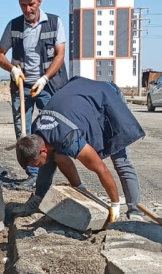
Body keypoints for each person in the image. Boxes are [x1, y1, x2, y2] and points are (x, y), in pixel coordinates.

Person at [15, 76, 144, 222]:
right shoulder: (37, 132)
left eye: (37, 164)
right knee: (51, 159)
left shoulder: (68, 137)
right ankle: (39, 197)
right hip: (82, 98)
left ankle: (135, 210)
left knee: (120, 159)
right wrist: (79, 188)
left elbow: (101, 169)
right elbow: (60, 158)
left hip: (106, 97)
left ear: (43, 150)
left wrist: (115, 204)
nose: (39, 167)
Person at [0, 0, 69, 181]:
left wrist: (45, 79)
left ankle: (47, 173)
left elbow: (60, 55)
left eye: (31, 4)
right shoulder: (14, 26)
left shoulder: (54, 23)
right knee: (23, 133)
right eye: (23, 5)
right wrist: (12, 70)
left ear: (39, 2)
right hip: (23, 87)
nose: (28, 9)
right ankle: (33, 174)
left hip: (48, 86)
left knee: (51, 129)